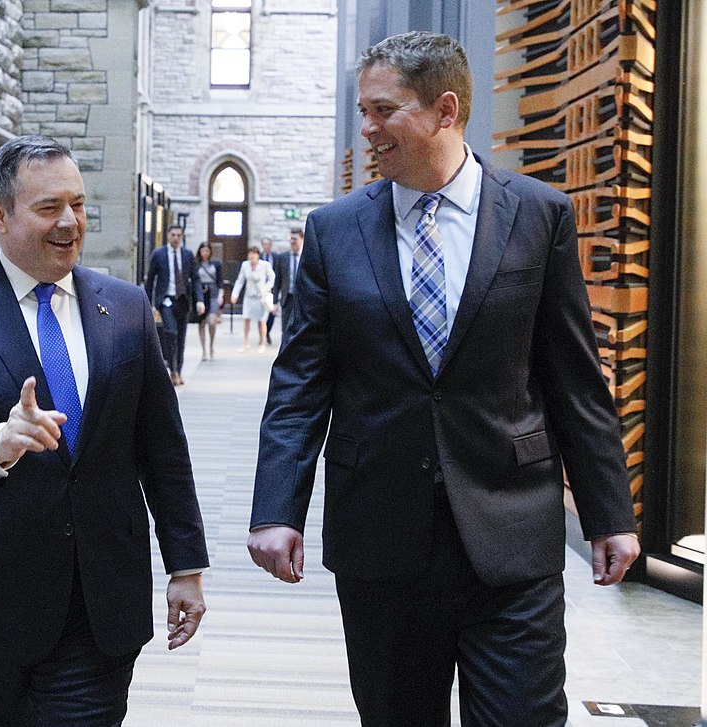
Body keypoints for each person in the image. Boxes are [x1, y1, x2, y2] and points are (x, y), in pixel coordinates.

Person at [246, 31, 639, 726]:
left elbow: (574, 378)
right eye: (361, 112)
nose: (366, 129)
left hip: (512, 529)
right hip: (382, 538)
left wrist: (609, 512)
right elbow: (301, 384)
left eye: (382, 111)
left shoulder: (538, 215)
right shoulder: (335, 231)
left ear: (445, 110)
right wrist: (277, 507)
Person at [0, 135, 209, 726]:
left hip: (101, 604)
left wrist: (185, 567)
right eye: (48, 208)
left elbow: (162, 450)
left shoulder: (127, 309)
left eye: (79, 204)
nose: (70, 222)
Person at [145, 225, 195, 385]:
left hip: (182, 301)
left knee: (181, 337)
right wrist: (147, 304)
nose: (175, 238)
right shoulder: (159, 254)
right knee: (171, 332)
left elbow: (195, 278)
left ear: (182, 237)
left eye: (179, 235)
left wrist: (199, 300)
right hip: (165, 301)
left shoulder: (188, 255)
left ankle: (178, 370)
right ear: (168, 235)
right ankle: (172, 370)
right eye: (173, 234)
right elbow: (150, 279)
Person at [230, 246, 275, 353]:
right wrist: (234, 294)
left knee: (262, 321)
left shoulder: (265, 265)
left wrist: (266, 289)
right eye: (250, 254)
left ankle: (263, 343)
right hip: (249, 296)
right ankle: (246, 343)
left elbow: (272, 278)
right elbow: (240, 280)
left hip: (261, 296)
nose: (252, 257)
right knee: (246, 319)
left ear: (258, 256)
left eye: (254, 255)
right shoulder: (245, 265)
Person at [270, 228, 303, 349]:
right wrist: (274, 302)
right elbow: (277, 280)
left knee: (301, 327)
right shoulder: (283, 258)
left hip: (302, 299)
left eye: (295, 239)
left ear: (302, 239)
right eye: (291, 239)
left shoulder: (306, 257)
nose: (292, 241)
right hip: (287, 298)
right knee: (285, 329)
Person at [192, 242, 224, 361]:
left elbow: (220, 280)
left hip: (213, 293)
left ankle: (211, 345)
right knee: (201, 323)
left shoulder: (216, 263)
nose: (205, 253)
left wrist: (221, 294)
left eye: (207, 251)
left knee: (212, 321)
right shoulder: (196, 264)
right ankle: (204, 350)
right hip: (200, 293)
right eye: (203, 251)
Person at [259, 236, 277, 345]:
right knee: (260, 313)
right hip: (260, 289)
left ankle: (267, 332)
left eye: (268, 244)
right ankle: (262, 335)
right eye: (264, 244)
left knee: (272, 312)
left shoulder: (276, 257)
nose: (266, 247)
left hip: (272, 289)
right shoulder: (259, 257)